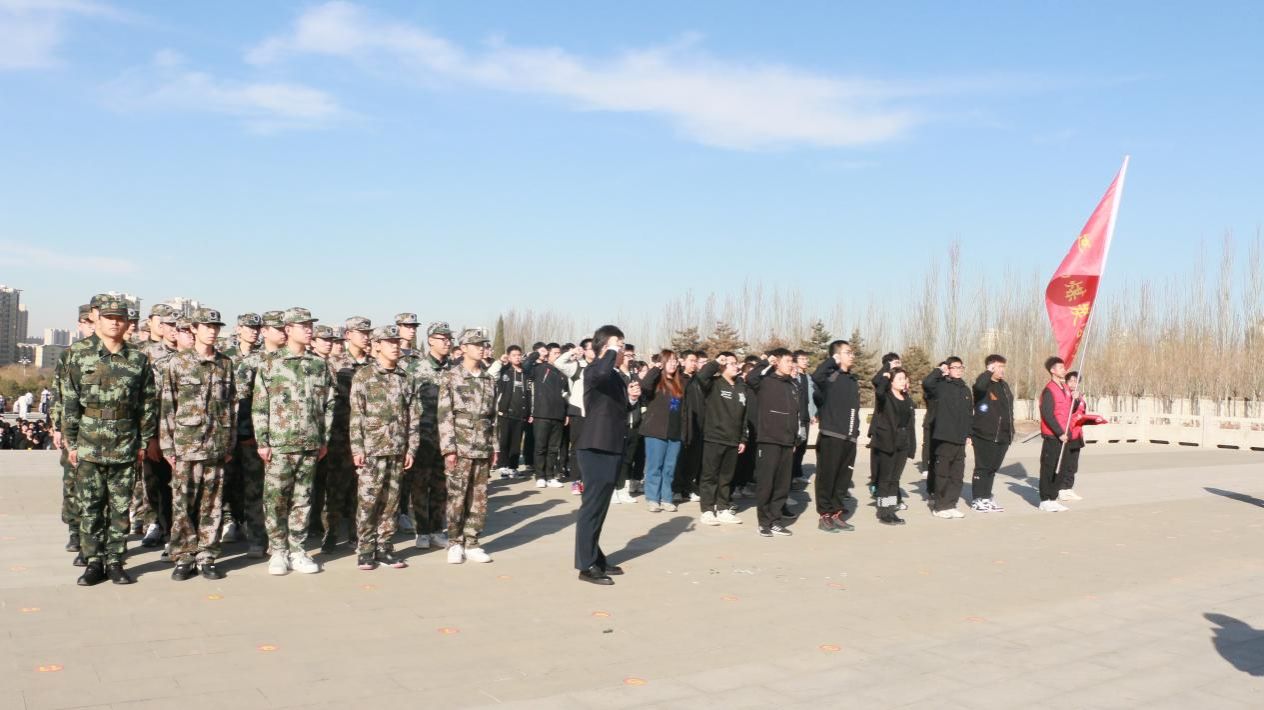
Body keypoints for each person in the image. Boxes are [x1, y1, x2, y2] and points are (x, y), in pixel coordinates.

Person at [62, 297, 158, 586]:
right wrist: (71, 443)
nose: (115, 322)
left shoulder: (138, 359)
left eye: (120, 318)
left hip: (125, 442)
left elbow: (147, 404)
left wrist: (143, 442)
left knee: (119, 506)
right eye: (109, 317)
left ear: (128, 323)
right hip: (89, 442)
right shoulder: (79, 355)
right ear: (98, 320)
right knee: (90, 505)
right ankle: (93, 561)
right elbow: (70, 401)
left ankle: (115, 560)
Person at [252, 307, 335, 575]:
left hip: (310, 443)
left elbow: (329, 404)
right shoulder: (270, 363)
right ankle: (278, 550)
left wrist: (324, 439)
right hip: (279, 444)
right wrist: (262, 441)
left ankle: (298, 549)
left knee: (303, 499)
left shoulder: (319, 365)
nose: (309, 330)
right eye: (303, 326)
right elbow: (260, 405)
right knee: (276, 499)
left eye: (310, 325)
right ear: (288, 330)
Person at [158, 308, 236, 581]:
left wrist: (230, 443)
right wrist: (168, 447)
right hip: (186, 445)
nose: (212, 331)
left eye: (216, 326)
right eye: (206, 326)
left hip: (216, 445)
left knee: (212, 504)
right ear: (193, 329)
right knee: (183, 503)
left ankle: (207, 555)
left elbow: (231, 406)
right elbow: (168, 405)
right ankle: (184, 556)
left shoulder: (225, 364)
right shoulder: (178, 363)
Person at [575, 325, 641, 585]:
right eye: (618, 345)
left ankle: (596, 557)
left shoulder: (614, 375)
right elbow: (601, 371)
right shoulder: (594, 369)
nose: (622, 350)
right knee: (591, 508)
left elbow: (616, 409)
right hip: (595, 447)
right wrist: (610, 350)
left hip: (612, 446)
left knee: (600, 508)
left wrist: (631, 399)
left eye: (622, 345)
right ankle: (586, 565)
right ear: (604, 348)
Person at [349, 325, 419, 570]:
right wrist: (357, 448)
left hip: (397, 450)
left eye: (397, 342)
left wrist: (411, 448)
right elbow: (356, 415)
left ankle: (385, 547)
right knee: (368, 502)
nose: (395, 346)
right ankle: (366, 549)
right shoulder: (364, 376)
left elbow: (413, 416)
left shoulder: (405, 378)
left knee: (391, 503)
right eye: (389, 342)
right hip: (372, 450)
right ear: (377, 345)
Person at [438, 329, 498, 564]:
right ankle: (455, 542)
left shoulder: (488, 379)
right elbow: (444, 415)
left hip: (482, 446)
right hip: (460, 447)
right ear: (463, 348)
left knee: (479, 497)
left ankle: (472, 541)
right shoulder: (451, 377)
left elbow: (493, 417)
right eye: (476, 344)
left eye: (484, 344)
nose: (482, 348)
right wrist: (449, 449)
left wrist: (494, 447)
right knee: (457, 496)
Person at [319, 316, 371, 552]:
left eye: (367, 333)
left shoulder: (373, 365)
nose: (365, 337)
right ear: (348, 335)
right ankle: (330, 533)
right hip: (340, 435)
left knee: (362, 488)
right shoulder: (333, 363)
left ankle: (356, 534)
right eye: (361, 332)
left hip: (368, 435)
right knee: (335, 487)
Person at [401, 321, 452, 550]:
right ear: (431, 340)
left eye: (449, 339)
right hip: (422, 436)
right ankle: (422, 531)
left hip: (446, 437)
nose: (447, 342)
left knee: (441, 485)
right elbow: (406, 403)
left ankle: (437, 530)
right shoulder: (416, 369)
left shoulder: (454, 370)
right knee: (420, 485)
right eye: (442, 338)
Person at [746, 348, 800, 537]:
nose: (791, 365)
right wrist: (765, 362)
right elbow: (750, 378)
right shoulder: (765, 381)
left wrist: (795, 439)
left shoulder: (792, 385)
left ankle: (776, 520)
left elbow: (795, 413)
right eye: (787, 361)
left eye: (792, 361)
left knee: (782, 484)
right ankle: (764, 522)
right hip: (769, 439)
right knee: (766, 483)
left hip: (788, 441)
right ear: (776, 362)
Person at [221, 313, 262, 548]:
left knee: (252, 479)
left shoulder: (263, 357)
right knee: (227, 478)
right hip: (228, 427)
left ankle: (250, 523)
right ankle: (229, 519)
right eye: (249, 327)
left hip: (252, 429)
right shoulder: (225, 356)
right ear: (238, 329)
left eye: (257, 328)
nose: (254, 331)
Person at [811, 340, 860, 532]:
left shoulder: (852, 379)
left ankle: (836, 514)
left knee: (843, 479)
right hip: (832, 435)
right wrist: (832, 361)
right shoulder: (830, 376)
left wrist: (855, 431)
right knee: (827, 477)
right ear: (837, 355)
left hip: (850, 437)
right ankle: (825, 515)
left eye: (852, 352)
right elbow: (816, 376)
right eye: (848, 352)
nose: (852, 355)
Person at [694, 352, 748, 525]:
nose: (735, 366)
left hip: (733, 439)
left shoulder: (741, 386)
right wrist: (716, 362)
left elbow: (744, 415)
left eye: (736, 363)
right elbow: (701, 376)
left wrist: (743, 438)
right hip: (714, 437)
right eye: (731, 363)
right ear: (723, 366)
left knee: (726, 477)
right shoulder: (714, 383)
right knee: (710, 476)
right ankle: (707, 510)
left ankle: (723, 508)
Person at [922, 356, 974, 518]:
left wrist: (969, 433)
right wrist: (939, 370)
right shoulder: (940, 386)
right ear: (948, 369)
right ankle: (940, 506)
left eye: (960, 367)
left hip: (960, 438)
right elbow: (927, 383)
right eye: (955, 367)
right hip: (944, 437)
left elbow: (969, 414)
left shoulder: (965, 389)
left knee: (957, 475)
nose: (958, 370)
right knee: (942, 474)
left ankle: (951, 504)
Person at [637, 350, 686, 512]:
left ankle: (666, 498)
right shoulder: (656, 380)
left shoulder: (680, 382)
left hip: (675, 431)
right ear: (662, 363)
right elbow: (644, 386)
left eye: (675, 360)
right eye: (669, 360)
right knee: (655, 466)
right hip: (656, 430)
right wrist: (656, 368)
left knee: (669, 468)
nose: (673, 363)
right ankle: (653, 498)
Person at [870, 368, 916, 525]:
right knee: (885, 479)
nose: (903, 381)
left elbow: (910, 423)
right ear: (891, 382)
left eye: (904, 378)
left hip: (902, 442)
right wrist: (886, 375)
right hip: (887, 442)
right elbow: (879, 391)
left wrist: (911, 445)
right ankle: (883, 512)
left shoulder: (906, 398)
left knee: (895, 480)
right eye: (899, 378)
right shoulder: (885, 396)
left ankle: (891, 510)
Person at [970, 354, 1014, 513]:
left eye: (1003, 367)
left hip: (1003, 435)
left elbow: (1008, 410)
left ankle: (986, 497)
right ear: (991, 367)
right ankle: (977, 499)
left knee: (992, 469)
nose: (1002, 370)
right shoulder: (983, 383)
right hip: (985, 434)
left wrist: (1010, 431)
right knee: (983, 467)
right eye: (999, 367)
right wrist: (988, 372)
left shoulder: (1004, 385)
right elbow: (979, 387)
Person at [555, 340, 595, 495]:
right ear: (584, 350)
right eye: (591, 348)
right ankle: (576, 480)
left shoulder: (601, 367)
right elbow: (558, 363)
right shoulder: (578, 366)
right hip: (579, 411)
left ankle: (590, 478)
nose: (594, 351)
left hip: (596, 413)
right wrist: (572, 352)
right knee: (577, 446)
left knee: (593, 447)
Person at [1038, 357, 1076, 512]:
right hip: (1053, 436)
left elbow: (1070, 410)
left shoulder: (1065, 388)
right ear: (1052, 370)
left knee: (1061, 468)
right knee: (1049, 468)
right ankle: (1044, 500)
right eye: (1060, 368)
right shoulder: (1049, 390)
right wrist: (1059, 432)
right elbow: (1047, 414)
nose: (1064, 370)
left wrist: (1076, 400)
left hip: (1066, 436)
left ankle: (1053, 498)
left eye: (1063, 367)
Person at [529, 343, 569, 488]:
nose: (558, 355)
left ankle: (550, 475)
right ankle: (540, 476)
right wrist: (536, 354)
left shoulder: (563, 372)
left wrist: (567, 413)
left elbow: (566, 395)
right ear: (548, 355)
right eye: (555, 353)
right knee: (541, 447)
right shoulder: (540, 368)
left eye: (559, 353)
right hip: (542, 414)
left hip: (558, 415)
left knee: (553, 448)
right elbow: (526, 367)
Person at [494, 345, 530, 477]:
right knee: (504, 441)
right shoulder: (504, 371)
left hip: (521, 413)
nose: (517, 357)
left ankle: (513, 467)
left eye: (519, 355)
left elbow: (529, 393)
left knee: (516, 442)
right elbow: (491, 374)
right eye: (514, 355)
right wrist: (500, 361)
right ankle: (503, 466)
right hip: (505, 413)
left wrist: (529, 412)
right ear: (509, 357)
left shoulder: (525, 373)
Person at [1058, 371, 1089, 502]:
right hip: (1067, 434)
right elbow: (1068, 411)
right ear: (1066, 381)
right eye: (1071, 381)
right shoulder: (1064, 395)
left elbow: (1081, 412)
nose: (1073, 384)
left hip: (1077, 434)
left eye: (1076, 381)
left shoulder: (1080, 397)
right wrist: (1074, 399)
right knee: (1064, 463)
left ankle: (1068, 488)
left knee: (1073, 464)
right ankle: (1061, 488)